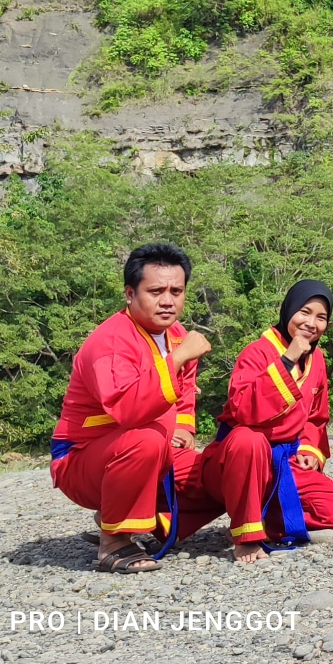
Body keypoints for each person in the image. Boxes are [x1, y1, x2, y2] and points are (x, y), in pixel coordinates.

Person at [51, 242, 212, 574]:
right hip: (84, 459)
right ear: (129, 293)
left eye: (176, 291)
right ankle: (113, 541)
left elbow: (183, 395)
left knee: (217, 474)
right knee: (146, 439)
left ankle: (145, 521)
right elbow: (127, 410)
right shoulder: (110, 342)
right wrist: (178, 358)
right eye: (155, 291)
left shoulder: (177, 334)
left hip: (152, 447)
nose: (168, 300)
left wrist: (183, 426)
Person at [175, 280, 333, 561]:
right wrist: (287, 360)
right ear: (288, 311)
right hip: (237, 458)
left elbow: (316, 417)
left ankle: (260, 520)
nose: (311, 323)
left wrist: (310, 450)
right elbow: (244, 410)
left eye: (321, 317)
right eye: (304, 312)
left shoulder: (317, 358)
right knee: (248, 440)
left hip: (283, 462)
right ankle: (246, 537)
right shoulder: (256, 352)